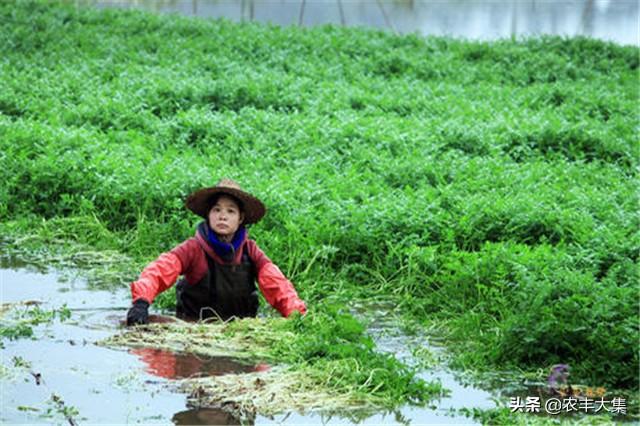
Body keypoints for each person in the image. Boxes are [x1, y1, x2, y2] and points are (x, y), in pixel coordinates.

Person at [126, 179, 307, 325]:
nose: (223, 216)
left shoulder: (251, 252)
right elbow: (158, 272)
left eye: (230, 211)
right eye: (217, 209)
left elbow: (278, 286)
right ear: (208, 215)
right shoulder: (193, 248)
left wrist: (297, 316)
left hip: (241, 334)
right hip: (192, 331)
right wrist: (141, 302)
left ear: (240, 218)